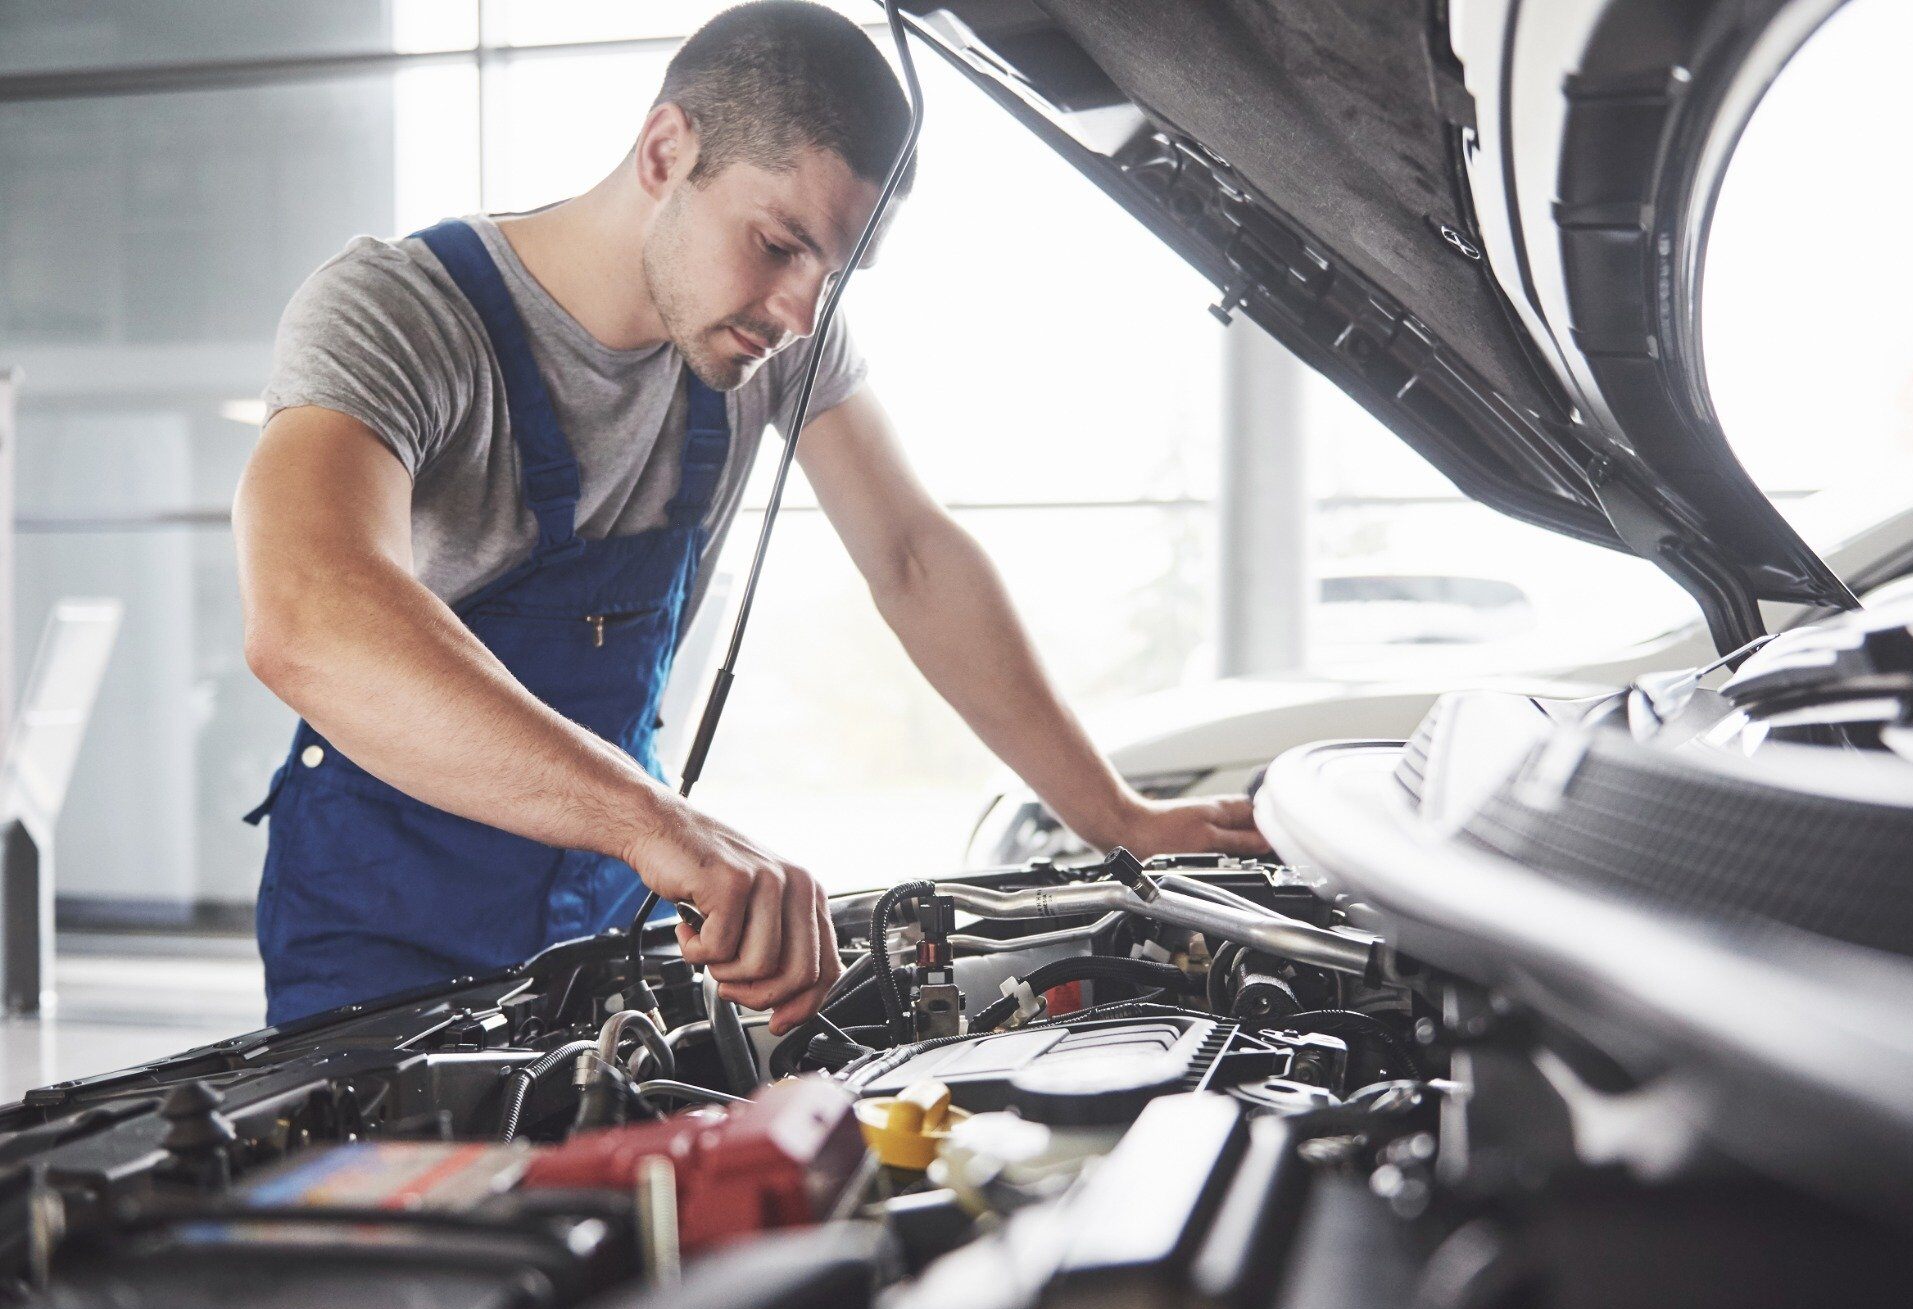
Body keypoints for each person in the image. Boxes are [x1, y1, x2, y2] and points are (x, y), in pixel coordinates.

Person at [233, 0, 1264, 1033]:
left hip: (600, 902)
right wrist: (655, 823)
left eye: (834, 273)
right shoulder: (398, 313)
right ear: (665, 149)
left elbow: (912, 557)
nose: (801, 316)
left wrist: (1116, 819)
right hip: (380, 913)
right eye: (778, 244)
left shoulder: (763, 341)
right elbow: (308, 614)